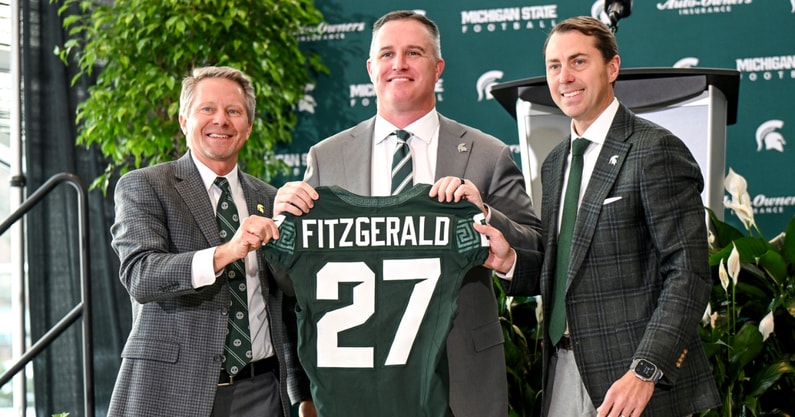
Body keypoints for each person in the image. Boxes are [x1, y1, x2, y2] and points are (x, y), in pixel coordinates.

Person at [274, 10, 542, 417]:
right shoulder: (326, 157)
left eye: (413, 53)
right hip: (360, 381)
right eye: (386, 54)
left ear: (438, 68)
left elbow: (537, 251)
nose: (398, 64)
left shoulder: (487, 154)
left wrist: (486, 213)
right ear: (370, 68)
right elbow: (293, 280)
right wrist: (281, 230)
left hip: (459, 380)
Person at [474, 16, 721, 417]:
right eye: (554, 66)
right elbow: (568, 272)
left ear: (612, 68)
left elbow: (688, 273)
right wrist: (511, 261)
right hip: (563, 372)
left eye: (578, 62)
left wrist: (645, 371)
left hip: (636, 383)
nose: (564, 77)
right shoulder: (555, 163)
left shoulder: (654, 149)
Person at [108, 65, 313, 417]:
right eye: (208, 109)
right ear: (184, 120)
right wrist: (227, 252)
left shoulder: (269, 197)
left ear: (247, 128)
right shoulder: (146, 185)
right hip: (173, 389)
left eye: (234, 111)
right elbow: (141, 275)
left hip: (262, 391)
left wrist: (301, 393)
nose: (221, 120)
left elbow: (286, 305)